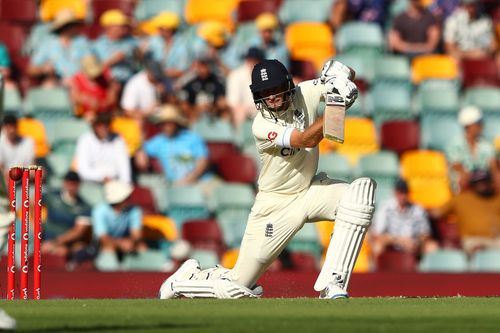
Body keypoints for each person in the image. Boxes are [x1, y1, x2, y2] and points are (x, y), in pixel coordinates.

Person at [158, 58, 376, 299]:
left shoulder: (305, 92)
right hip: (274, 205)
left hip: (309, 191)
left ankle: (333, 284)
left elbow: (346, 77)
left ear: (288, 85)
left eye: (274, 90)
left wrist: (342, 78)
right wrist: (337, 104)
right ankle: (181, 282)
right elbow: (305, 140)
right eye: (264, 93)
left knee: (360, 194)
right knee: (236, 287)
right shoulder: (261, 124)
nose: (270, 98)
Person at [135, 104, 211, 186]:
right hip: (175, 186)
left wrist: (189, 179)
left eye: (169, 123)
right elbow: (142, 150)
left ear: (176, 123)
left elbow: (203, 162)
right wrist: (140, 153)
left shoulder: (193, 138)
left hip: (201, 182)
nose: (166, 127)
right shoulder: (159, 141)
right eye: (163, 124)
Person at [431, 170, 500, 255]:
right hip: (474, 240)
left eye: (484, 182)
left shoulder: (497, 199)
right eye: (478, 183)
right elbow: (436, 213)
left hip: (497, 239)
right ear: (472, 185)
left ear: (490, 182)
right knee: (480, 252)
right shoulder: (461, 199)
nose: (482, 185)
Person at [371, 179, 438, 261]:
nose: (402, 195)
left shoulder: (418, 209)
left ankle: (423, 272)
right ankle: (376, 273)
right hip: (391, 243)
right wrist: (400, 241)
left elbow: (426, 233)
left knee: (432, 247)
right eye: (400, 192)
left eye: (404, 192)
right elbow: (378, 235)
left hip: (413, 243)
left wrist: (417, 242)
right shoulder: (385, 208)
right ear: (395, 193)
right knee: (377, 247)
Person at [28, 9, 91, 86]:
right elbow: (31, 70)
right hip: (58, 82)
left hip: (81, 81)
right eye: (72, 25)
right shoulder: (48, 44)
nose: (76, 27)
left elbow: (91, 65)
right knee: (49, 85)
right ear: (64, 27)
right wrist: (43, 69)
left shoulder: (82, 42)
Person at [41, 171, 92, 260]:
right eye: (69, 182)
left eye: (74, 183)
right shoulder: (51, 195)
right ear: (64, 183)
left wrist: (55, 242)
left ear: (79, 184)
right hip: (45, 239)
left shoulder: (84, 206)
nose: (71, 186)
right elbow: (32, 204)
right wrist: (35, 226)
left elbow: (78, 231)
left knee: (74, 250)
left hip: (66, 243)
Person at [446, 105, 496, 192]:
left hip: (483, 186)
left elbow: (493, 168)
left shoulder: (486, 146)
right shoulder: (454, 145)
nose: (481, 125)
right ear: (468, 126)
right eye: (478, 123)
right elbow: (459, 169)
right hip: (465, 187)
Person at [92, 180, 146, 259]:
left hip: (127, 243)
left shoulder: (134, 210)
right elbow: (103, 239)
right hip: (103, 247)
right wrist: (120, 244)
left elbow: (137, 234)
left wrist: (131, 242)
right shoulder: (99, 211)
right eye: (126, 197)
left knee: (142, 247)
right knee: (109, 249)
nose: (129, 198)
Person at [74, 112, 131, 184]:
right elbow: (83, 170)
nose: (104, 128)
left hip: (114, 184)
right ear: (94, 126)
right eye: (100, 125)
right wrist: (101, 177)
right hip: (90, 184)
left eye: (106, 124)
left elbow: (124, 169)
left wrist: (124, 185)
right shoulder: (85, 140)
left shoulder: (118, 140)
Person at [120, 60, 174, 125]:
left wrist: (164, 95)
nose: (157, 78)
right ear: (148, 71)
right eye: (155, 75)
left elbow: (172, 100)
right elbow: (128, 111)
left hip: (160, 118)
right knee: (139, 122)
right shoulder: (134, 84)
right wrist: (146, 112)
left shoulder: (162, 81)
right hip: (142, 120)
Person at [69, 54, 121, 122]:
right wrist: (86, 100)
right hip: (87, 116)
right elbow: (75, 98)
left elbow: (112, 99)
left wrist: (100, 105)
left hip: (107, 114)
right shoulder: (77, 80)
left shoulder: (107, 76)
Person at [93, 9, 138, 84]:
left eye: (125, 25)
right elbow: (96, 69)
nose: (124, 28)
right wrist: (113, 60)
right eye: (121, 25)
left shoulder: (131, 40)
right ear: (109, 27)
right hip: (109, 84)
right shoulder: (98, 45)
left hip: (132, 81)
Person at [178, 57, 229, 123]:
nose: (202, 70)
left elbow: (221, 100)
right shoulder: (191, 81)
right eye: (200, 67)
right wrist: (197, 109)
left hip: (213, 111)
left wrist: (212, 107)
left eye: (205, 66)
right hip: (195, 112)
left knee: (224, 109)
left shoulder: (216, 81)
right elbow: (185, 102)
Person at [144, 11, 191, 81]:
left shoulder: (183, 45)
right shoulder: (155, 41)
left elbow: (181, 71)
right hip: (156, 80)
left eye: (161, 28)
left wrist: (160, 74)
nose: (158, 31)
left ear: (169, 29)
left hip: (175, 82)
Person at [226, 47, 265, 129]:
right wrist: (248, 109)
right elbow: (233, 102)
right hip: (244, 110)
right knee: (239, 112)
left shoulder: (265, 74)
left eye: (255, 60)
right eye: (250, 59)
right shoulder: (236, 75)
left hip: (262, 108)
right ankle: (239, 139)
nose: (252, 63)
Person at [0, 115, 35, 183]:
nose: (12, 130)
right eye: (9, 128)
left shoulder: (28, 142)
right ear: (4, 128)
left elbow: (32, 167)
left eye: (14, 127)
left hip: (24, 182)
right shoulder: (1, 142)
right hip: (6, 183)